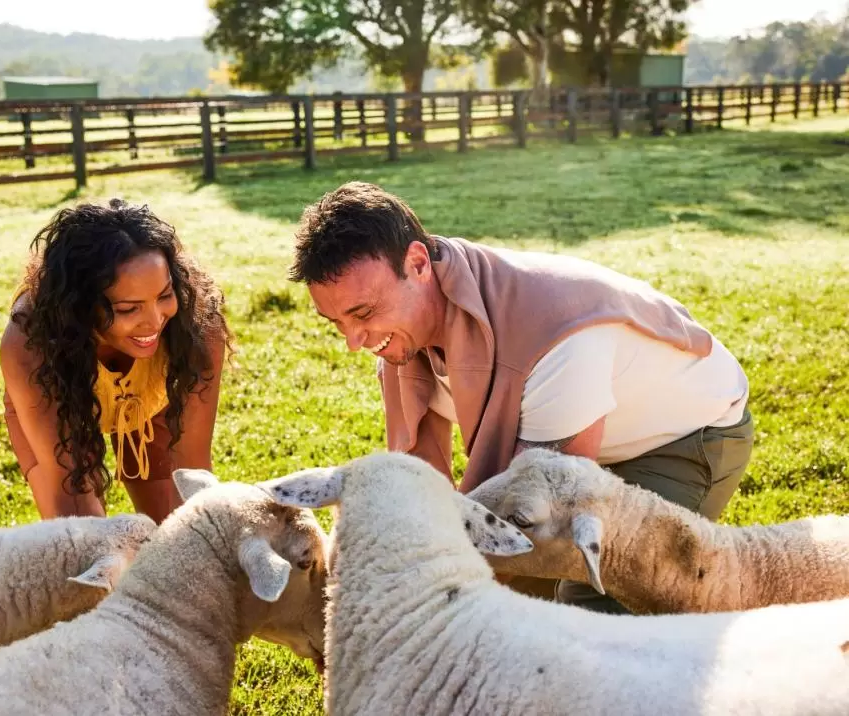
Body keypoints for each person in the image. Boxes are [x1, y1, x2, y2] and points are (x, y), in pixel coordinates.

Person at [288, 181, 753, 614]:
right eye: (337, 323)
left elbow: (545, 509)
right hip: (577, 448)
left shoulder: (556, 339)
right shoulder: (401, 340)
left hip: (682, 437)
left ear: (418, 263)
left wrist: (415, 591)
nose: (353, 340)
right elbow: (427, 488)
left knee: (585, 612)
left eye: (363, 313)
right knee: (488, 599)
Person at [0, 198, 231, 524]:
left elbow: (192, 469)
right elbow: (68, 490)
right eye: (128, 309)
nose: (153, 321)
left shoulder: (198, 326)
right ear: (78, 305)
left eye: (165, 295)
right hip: (66, 400)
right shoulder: (29, 344)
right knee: (81, 538)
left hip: (152, 401)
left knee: (178, 528)